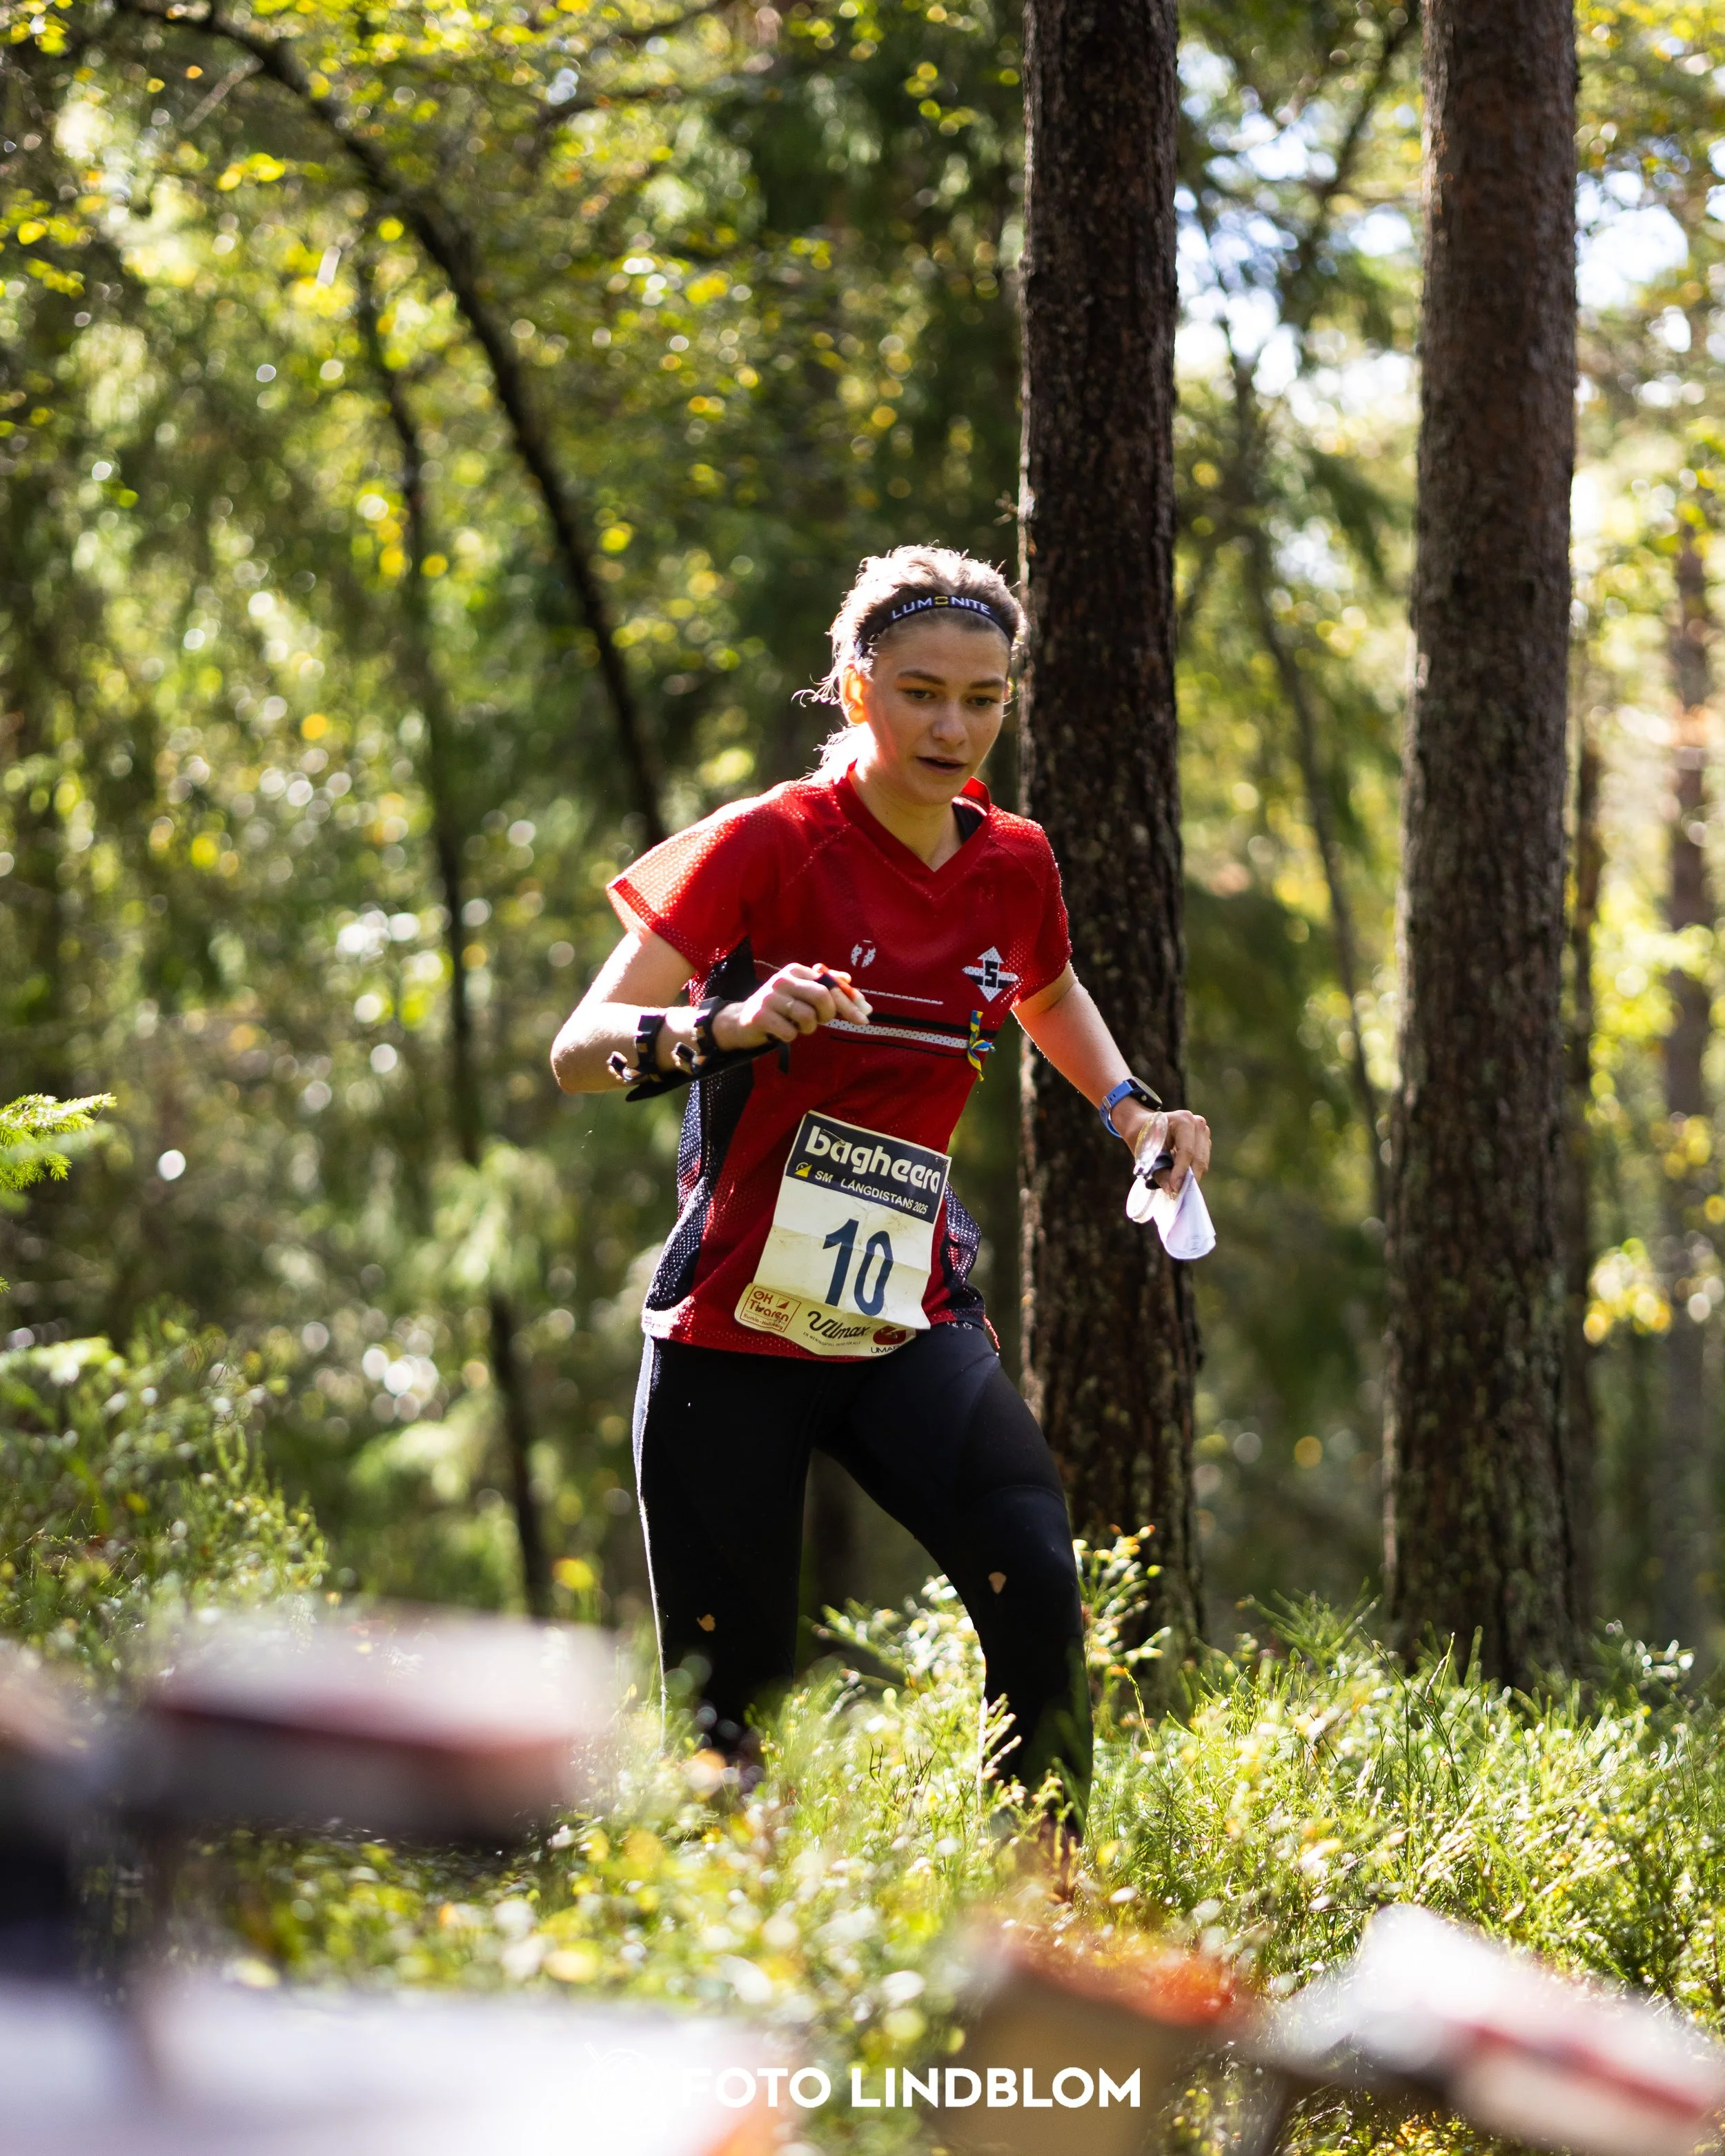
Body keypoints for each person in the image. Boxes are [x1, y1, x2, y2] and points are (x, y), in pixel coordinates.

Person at [551, 544, 1210, 1832]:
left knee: (1033, 1572)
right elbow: (578, 1048)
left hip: (905, 1313)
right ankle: (737, 1958)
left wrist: (1132, 1109)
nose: (953, 726)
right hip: (729, 1327)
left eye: (983, 698)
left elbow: (1046, 986)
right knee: (728, 1709)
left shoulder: (1016, 862)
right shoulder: (763, 843)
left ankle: (1044, 1907)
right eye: (919, 692)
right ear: (855, 690)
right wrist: (722, 1026)